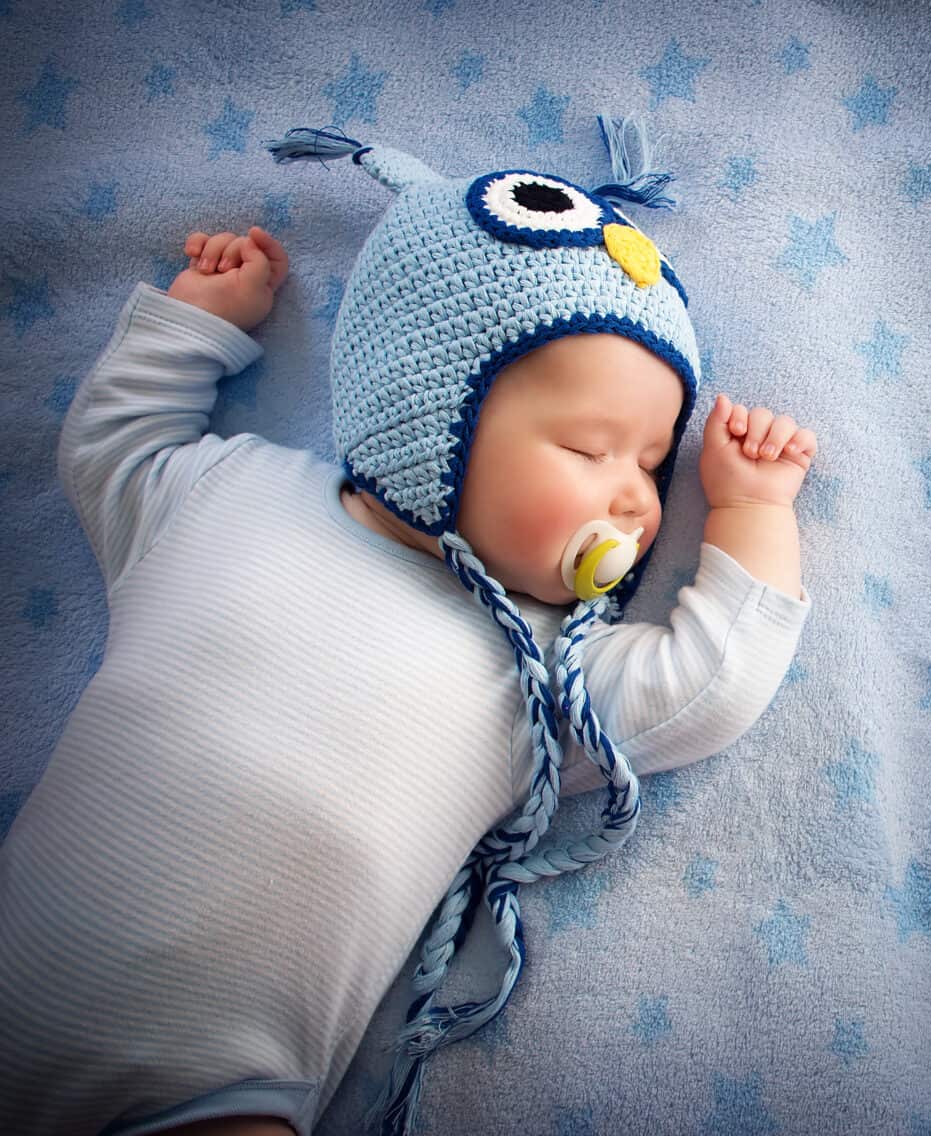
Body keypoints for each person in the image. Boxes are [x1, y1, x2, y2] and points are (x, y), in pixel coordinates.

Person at [0, 123, 815, 1136]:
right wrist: (191, 323)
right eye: (590, 445)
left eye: (652, 464)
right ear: (430, 408)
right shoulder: (230, 489)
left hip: (211, 1090)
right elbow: (116, 446)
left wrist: (750, 512)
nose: (638, 499)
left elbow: (706, 685)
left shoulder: (538, 663)